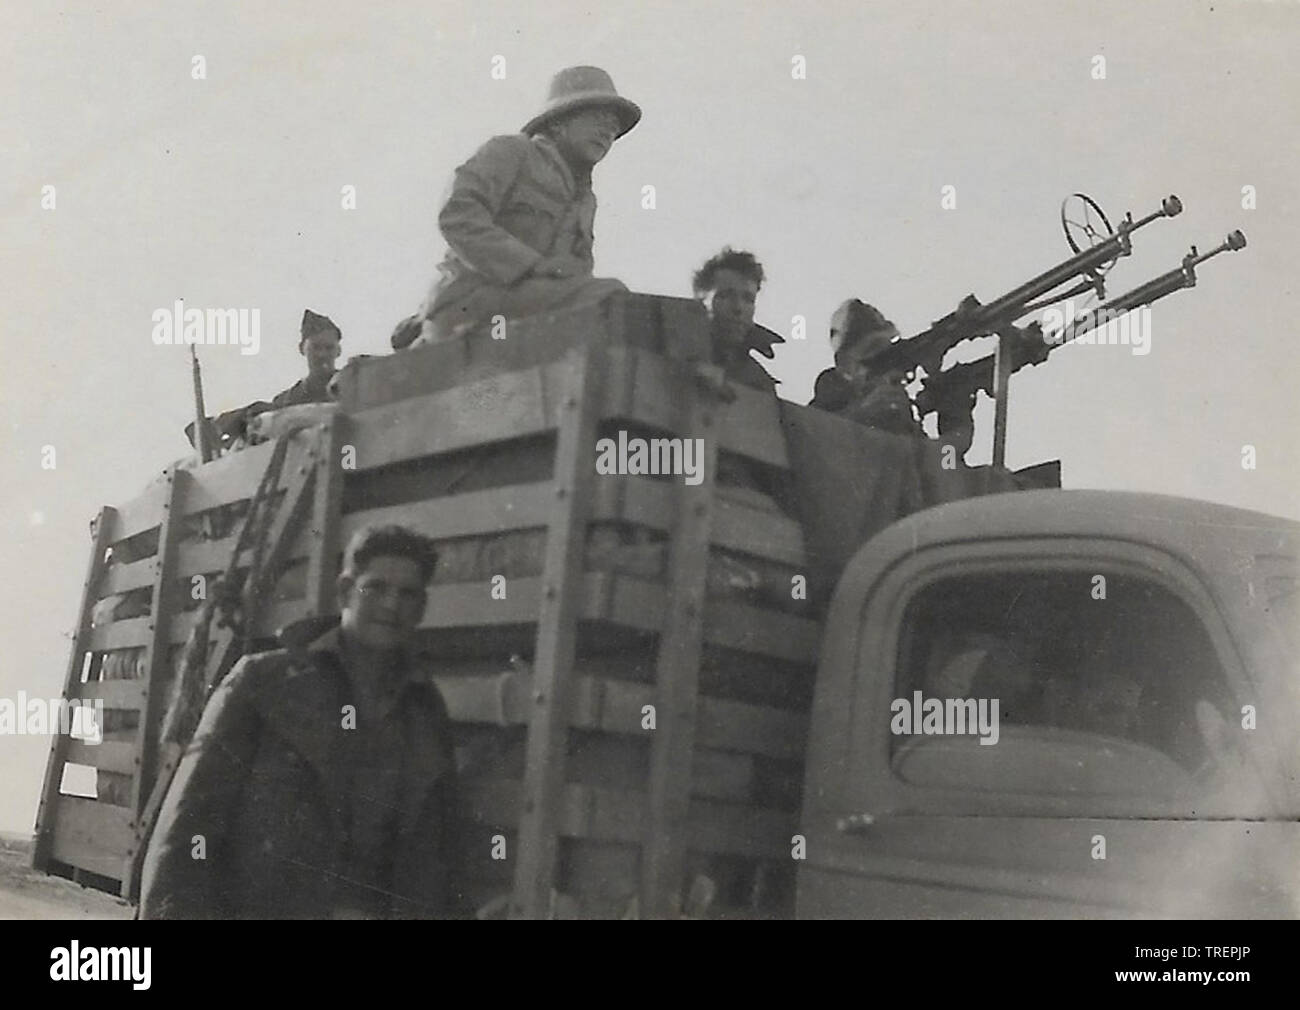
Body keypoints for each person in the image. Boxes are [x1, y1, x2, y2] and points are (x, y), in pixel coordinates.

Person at [140, 525, 465, 919]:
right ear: (345, 590)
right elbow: (189, 824)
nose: (391, 605)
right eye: (376, 588)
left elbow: (436, 859)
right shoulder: (265, 682)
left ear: (422, 608)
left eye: (407, 594)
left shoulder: (426, 713)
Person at [402, 66, 639, 347]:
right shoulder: (511, 152)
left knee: (620, 308)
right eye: (597, 118)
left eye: (613, 127)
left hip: (527, 306)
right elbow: (458, 215)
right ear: (558, 121)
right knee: (609, 296)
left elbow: (574, 273)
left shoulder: (585, 199)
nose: (607, 132)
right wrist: (532, 265)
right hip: (471, 299)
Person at [810, 299, 920, 436]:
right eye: (871, 352)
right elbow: (813, 437)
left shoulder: (894, 397)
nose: (882, 361)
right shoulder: (828, 397)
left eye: (886, 353)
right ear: (844, 364)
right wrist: (863, 412)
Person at [691, 247, 782, 393]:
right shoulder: (664, 355)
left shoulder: (758, 381)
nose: (738, 308)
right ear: (700, 299)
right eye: (726, 295)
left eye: (748, 299)